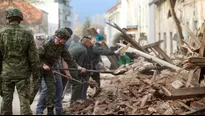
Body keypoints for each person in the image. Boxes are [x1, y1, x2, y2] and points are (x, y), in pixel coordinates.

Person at [0, 7, 40, 115]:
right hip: (23, 74)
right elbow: (33, 57)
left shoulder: (1, 32)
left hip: (6, 73)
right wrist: (36, 74)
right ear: (20, 19)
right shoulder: (27, 33)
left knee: (6, 101)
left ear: (8, 18)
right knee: (25, 101)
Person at [37, 28, 86, 115]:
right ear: (57, 37)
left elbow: (68, 59)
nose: (63, 42)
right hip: (43, 69)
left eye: (65, 41)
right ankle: (39, 111)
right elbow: (36, 58)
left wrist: (78, 67)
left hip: (54, 68)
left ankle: (58, 110)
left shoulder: (62, 46)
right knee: (46, 90)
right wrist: (43, 65)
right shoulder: (46, 44)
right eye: (62, 40)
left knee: (59, 89)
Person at [68, 36, 93, 103]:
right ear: (86, 42)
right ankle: (74, 101)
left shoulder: (74, 44)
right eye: (90, 43)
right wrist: (82, 72)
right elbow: (79, 63)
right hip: (70, 66)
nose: (90, 45)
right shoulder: (83, 50)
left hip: (63, 64)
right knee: (77, 84)